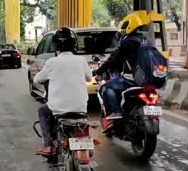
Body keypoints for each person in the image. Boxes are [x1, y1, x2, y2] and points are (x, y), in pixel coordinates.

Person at [34, 27, 93, 155]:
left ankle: (48, 145)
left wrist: (39, 80)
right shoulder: (81, 60)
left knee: (42, 111)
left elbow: (37, 79)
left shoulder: (52, 62)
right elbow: (89, 77)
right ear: (74, 44)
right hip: (81, 107)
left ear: (55, 45)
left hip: (58, 108)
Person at [94, 14, 144, 122]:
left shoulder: (127, 43)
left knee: (108, 87)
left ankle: (116, 111)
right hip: (147, 80)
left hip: (132, 79)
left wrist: (99, 71)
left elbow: (115, 60)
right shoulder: (146, 41)